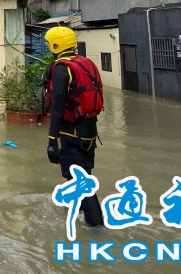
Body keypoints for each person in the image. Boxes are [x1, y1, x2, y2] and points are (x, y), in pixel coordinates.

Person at [44, 26, 105, 227]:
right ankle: (77, 218)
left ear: (55, 45)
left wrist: (52, 140)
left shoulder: (62, 69)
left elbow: (58, 107)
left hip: (72, 132)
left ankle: (96, 227)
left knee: (81, 182)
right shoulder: (86, 63)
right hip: (89, 131)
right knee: (81, 175)